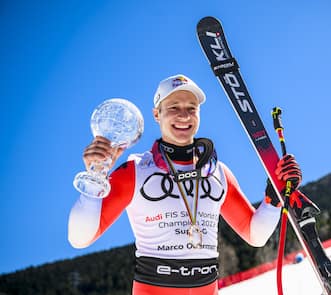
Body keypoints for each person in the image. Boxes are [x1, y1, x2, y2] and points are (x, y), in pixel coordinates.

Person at [68, 74, 302, 295]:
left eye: (192, 108)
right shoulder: (135, 170)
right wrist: (95, 178)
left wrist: (273, 196)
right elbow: (80, 238)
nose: (184, 115)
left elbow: (255, 234)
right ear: (156, 114)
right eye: (173, 108)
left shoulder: (218, 172)